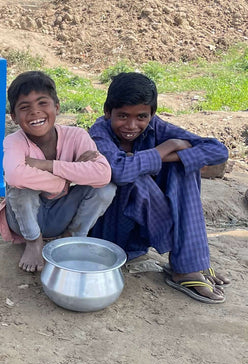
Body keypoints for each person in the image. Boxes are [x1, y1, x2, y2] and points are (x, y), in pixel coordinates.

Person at [89, 71, 229, 304]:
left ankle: (188, 264)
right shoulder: (99, 133)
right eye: (122, 116)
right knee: (135, 178)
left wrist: (166, 157)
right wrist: (168, 148)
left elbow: (218, 151)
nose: (131, 125)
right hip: (111, 234)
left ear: (152, 114)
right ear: (107, 112)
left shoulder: (156, 127)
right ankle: (188, 261)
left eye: (141, 117)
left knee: (184, 167)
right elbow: (120, 171)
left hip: (144, 228)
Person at [0, 70, 116, 272]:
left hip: (61, 215)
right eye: (25, 107)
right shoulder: (14, 141)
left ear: (57, 107)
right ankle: (34, 242)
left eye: (42, 103)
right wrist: (64, 181)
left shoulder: (77, 135)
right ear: (14, 117)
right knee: (20, 187)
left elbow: (103, 174)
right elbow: (15, 175)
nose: (35, 112)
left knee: (106, 188)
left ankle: (71, 239)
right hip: (23, 218)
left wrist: (47, 165)